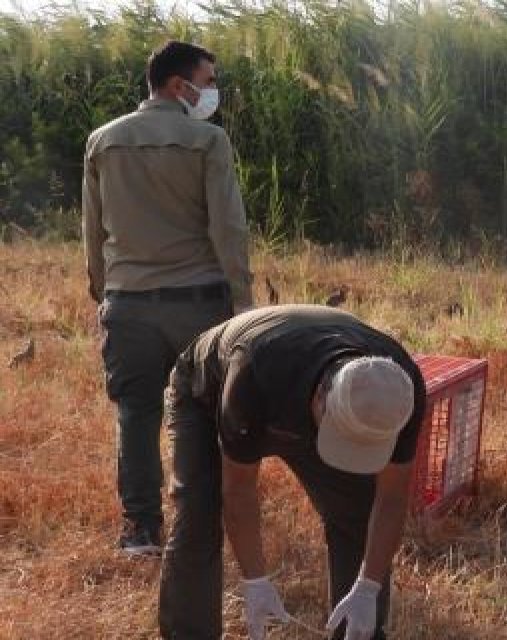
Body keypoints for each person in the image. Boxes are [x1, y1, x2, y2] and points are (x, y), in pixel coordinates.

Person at [157, 305, 426, 640]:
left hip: (299, 387)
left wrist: (369, 586)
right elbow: (238, 490)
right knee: (197, 514)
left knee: (358, 514)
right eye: (344, 438)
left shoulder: (398, 390)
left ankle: (359, 633)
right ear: (320, 400)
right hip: (207, 393)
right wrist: (255, 582)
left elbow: (392, 496)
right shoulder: (253, 376)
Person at [82, 39, 252, 555]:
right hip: (199, 304)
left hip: (128, 300)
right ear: (180, 86)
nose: (212, 92)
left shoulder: (102, 141)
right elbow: (228, 229)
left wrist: (102, 290)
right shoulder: (208, 142)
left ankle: (140, 530)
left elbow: (93, 229)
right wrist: (243, 305)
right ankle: (197, 522)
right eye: (208, 81)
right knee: (198, 414)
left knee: (136, 415)